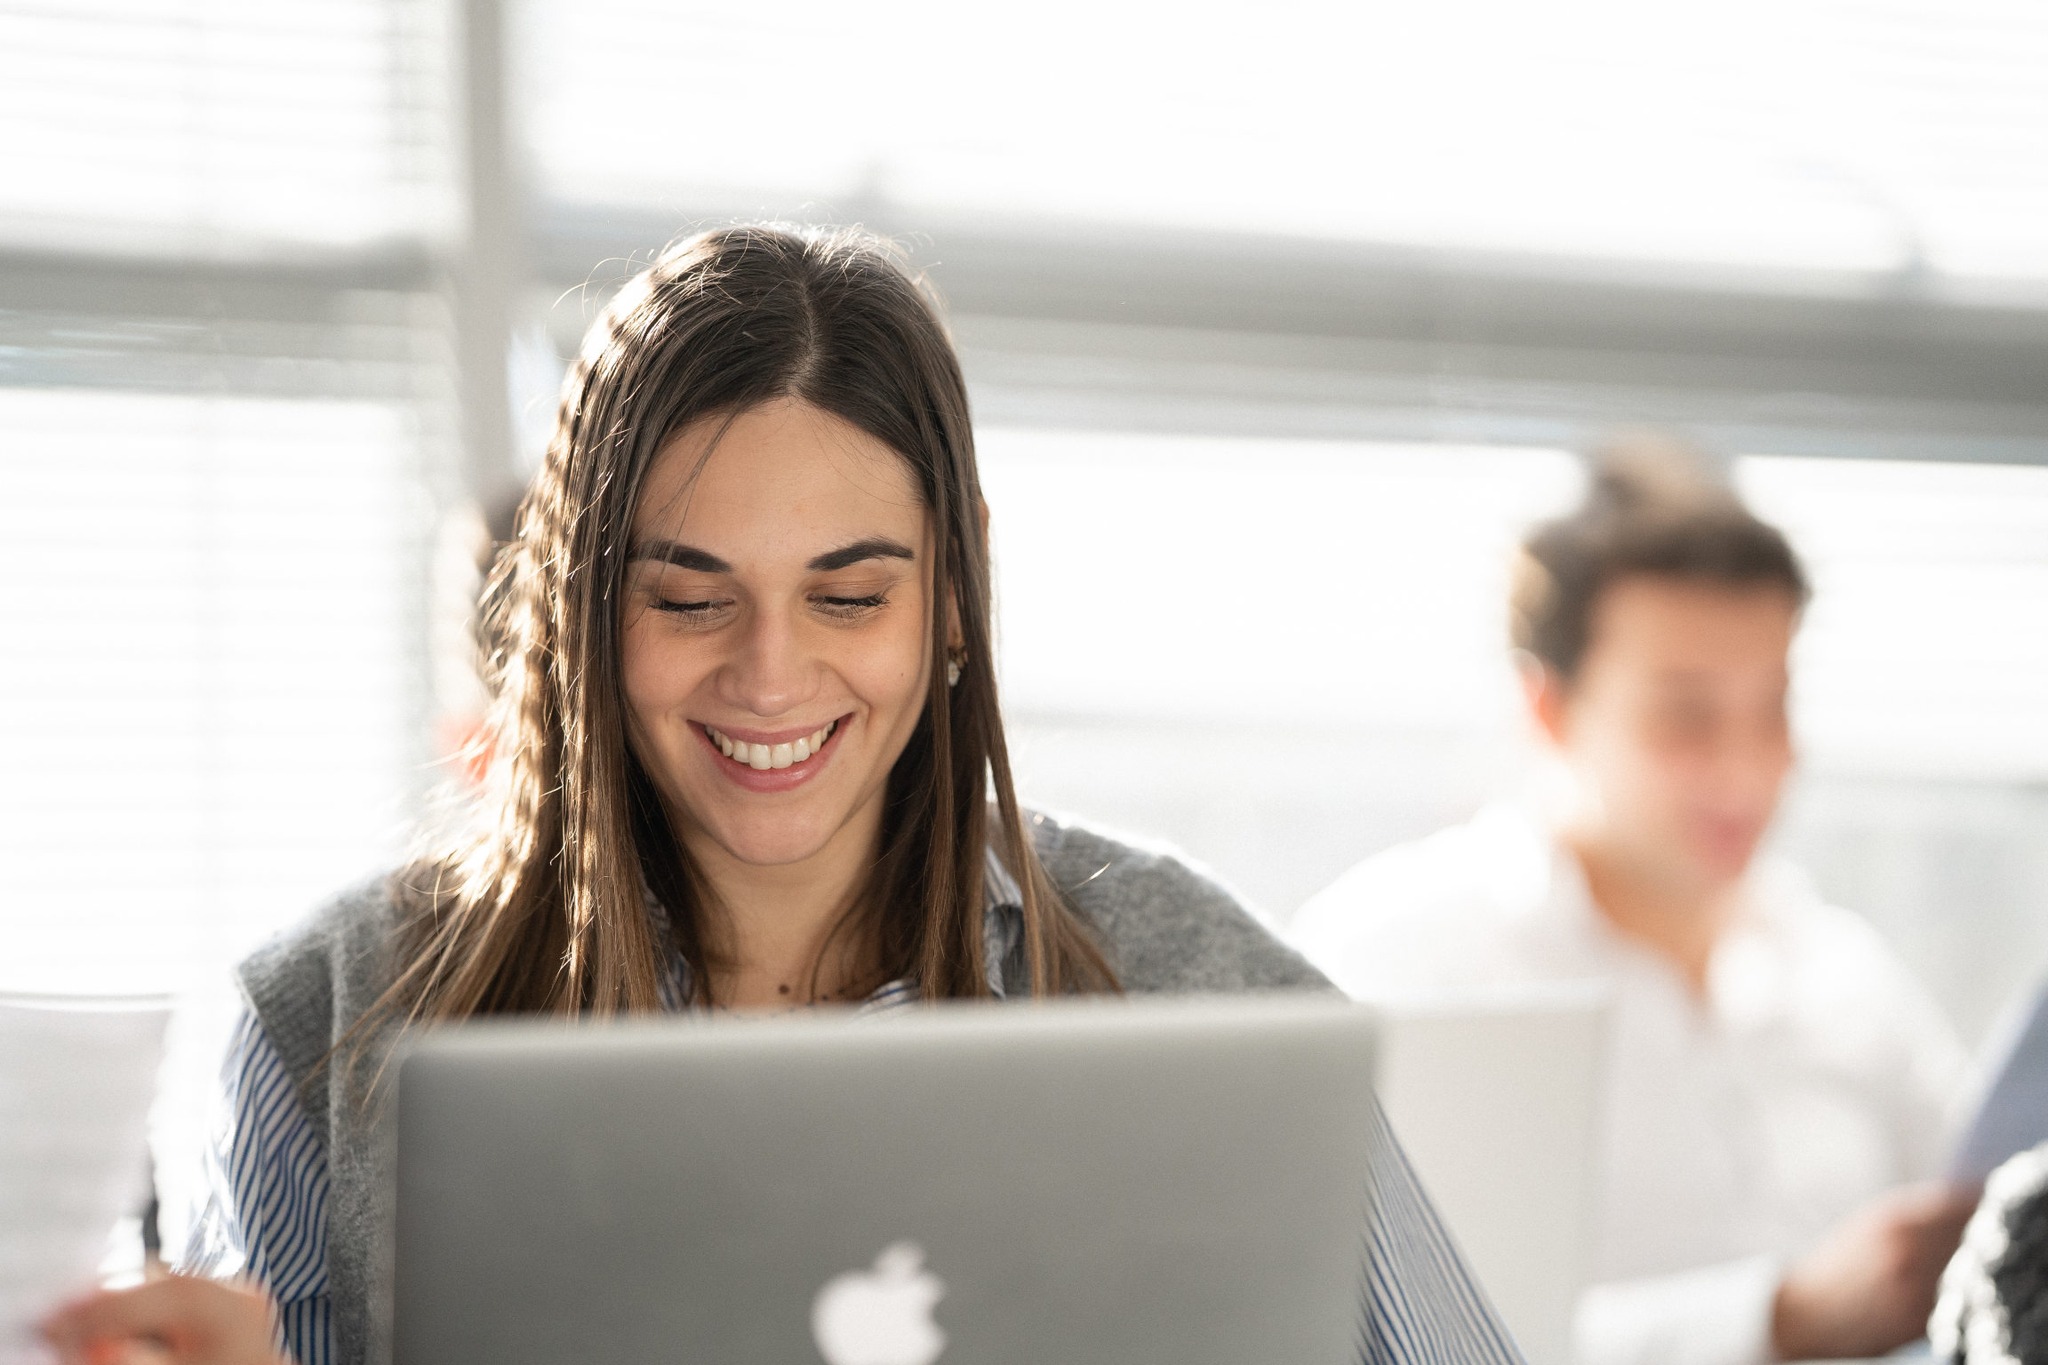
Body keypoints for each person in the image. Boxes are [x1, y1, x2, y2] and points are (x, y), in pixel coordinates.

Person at [41, 225, 1524, 1365]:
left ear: (956, 591)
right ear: (579, 608)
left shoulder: (1198, 990)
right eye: (689, 599)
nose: (769, 675)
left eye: (849, 594)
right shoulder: (315, 1024)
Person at [1290, 436, 1974, 1365]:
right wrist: (1777, 1322)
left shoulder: (1847, 977)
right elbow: (1355, 1327)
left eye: (1773, 705)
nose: (1746, 765)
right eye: (1686, 713)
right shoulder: (1395, 963)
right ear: (1550, 710)